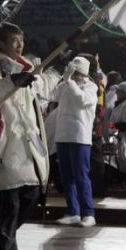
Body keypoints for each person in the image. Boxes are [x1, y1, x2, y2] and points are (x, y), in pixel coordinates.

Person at [0, 23, 61, 250]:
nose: (20, 44)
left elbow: (39, 91)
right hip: (6, 143)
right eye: (14, 40)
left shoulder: (26, 67)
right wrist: (13, 81)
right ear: (2, 44)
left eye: (21, 39)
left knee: (32, 195)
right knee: (10, 202)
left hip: (28, 143)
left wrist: (55, 72)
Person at [52, 56, 99, 227]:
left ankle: (88, 213)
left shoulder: (91, 87)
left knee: (81, 176)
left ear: (83, 73)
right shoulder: (66, 84)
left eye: (76, 72)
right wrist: (61, 80)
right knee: (66, 177)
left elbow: (82, 100)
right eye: (72, 71)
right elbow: (51, 96)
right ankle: (73, 211)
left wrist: (69, 82)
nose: (73, 75)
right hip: (62, 135)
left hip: (80, 137)